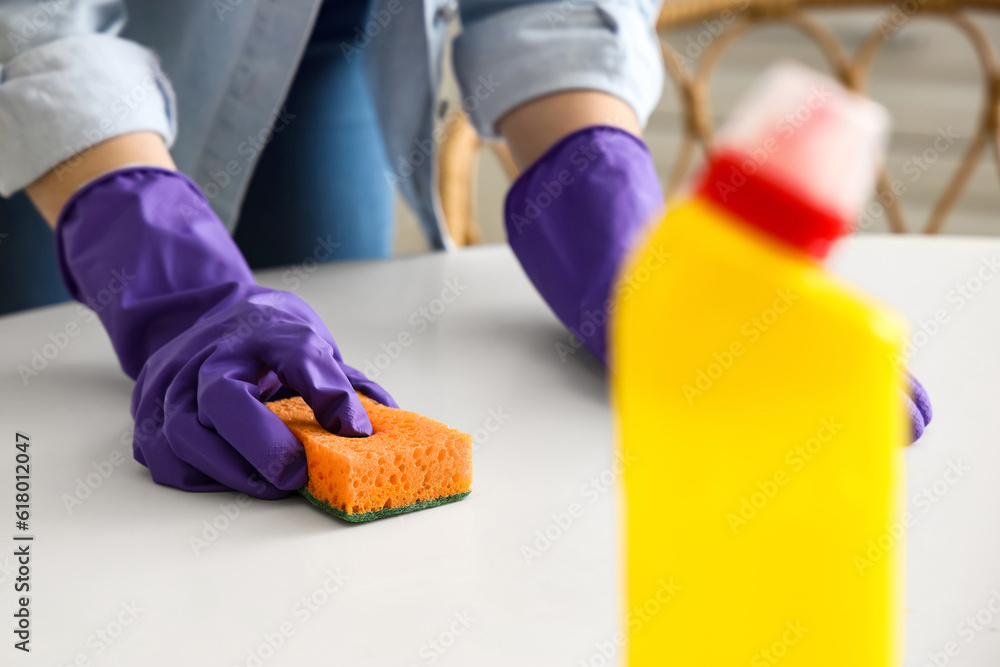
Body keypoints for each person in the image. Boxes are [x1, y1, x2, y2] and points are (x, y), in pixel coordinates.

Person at [0, 0, 930, 498]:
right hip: (42, 90)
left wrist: (631, 256)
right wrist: (166, 274)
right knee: (52, 489)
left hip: (323, 39)